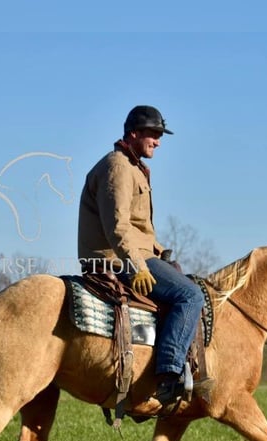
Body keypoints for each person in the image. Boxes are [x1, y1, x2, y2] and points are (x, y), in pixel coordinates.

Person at [77, 105, 208, 408]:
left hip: (130, 255)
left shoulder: (131, 166)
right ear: (134, 133)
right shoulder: (118, 167)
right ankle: (169, 374)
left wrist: (159, 251)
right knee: (190, 295)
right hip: (117, 261)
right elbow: (117, 226)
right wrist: (137, 265)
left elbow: (136, 228)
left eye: (160, 135)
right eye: (153, 134)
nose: (158, 141)